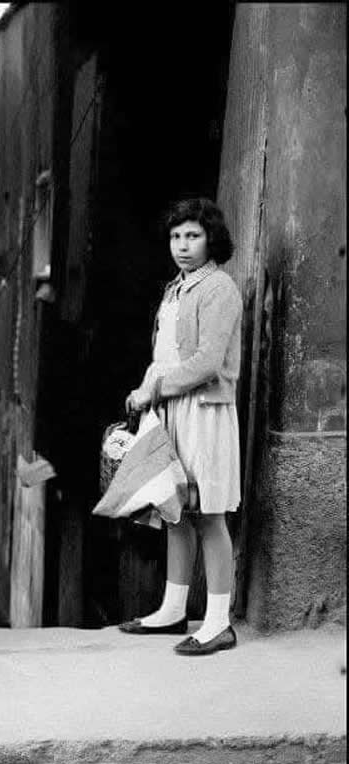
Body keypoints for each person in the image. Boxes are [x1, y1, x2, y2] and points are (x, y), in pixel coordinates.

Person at [118, 197, 242, 656]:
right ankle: (173, 610)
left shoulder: (219, 289)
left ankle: (218, 622)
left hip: (204, 411)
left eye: (193, 236)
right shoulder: (176, 289)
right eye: (176, 236)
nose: (183, 245)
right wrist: (145, 385)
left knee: (209, 513)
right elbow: (164, 356)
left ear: (212, 239)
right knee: (176, 508)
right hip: (172, 406)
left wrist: (157, 388)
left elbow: (208, 362)